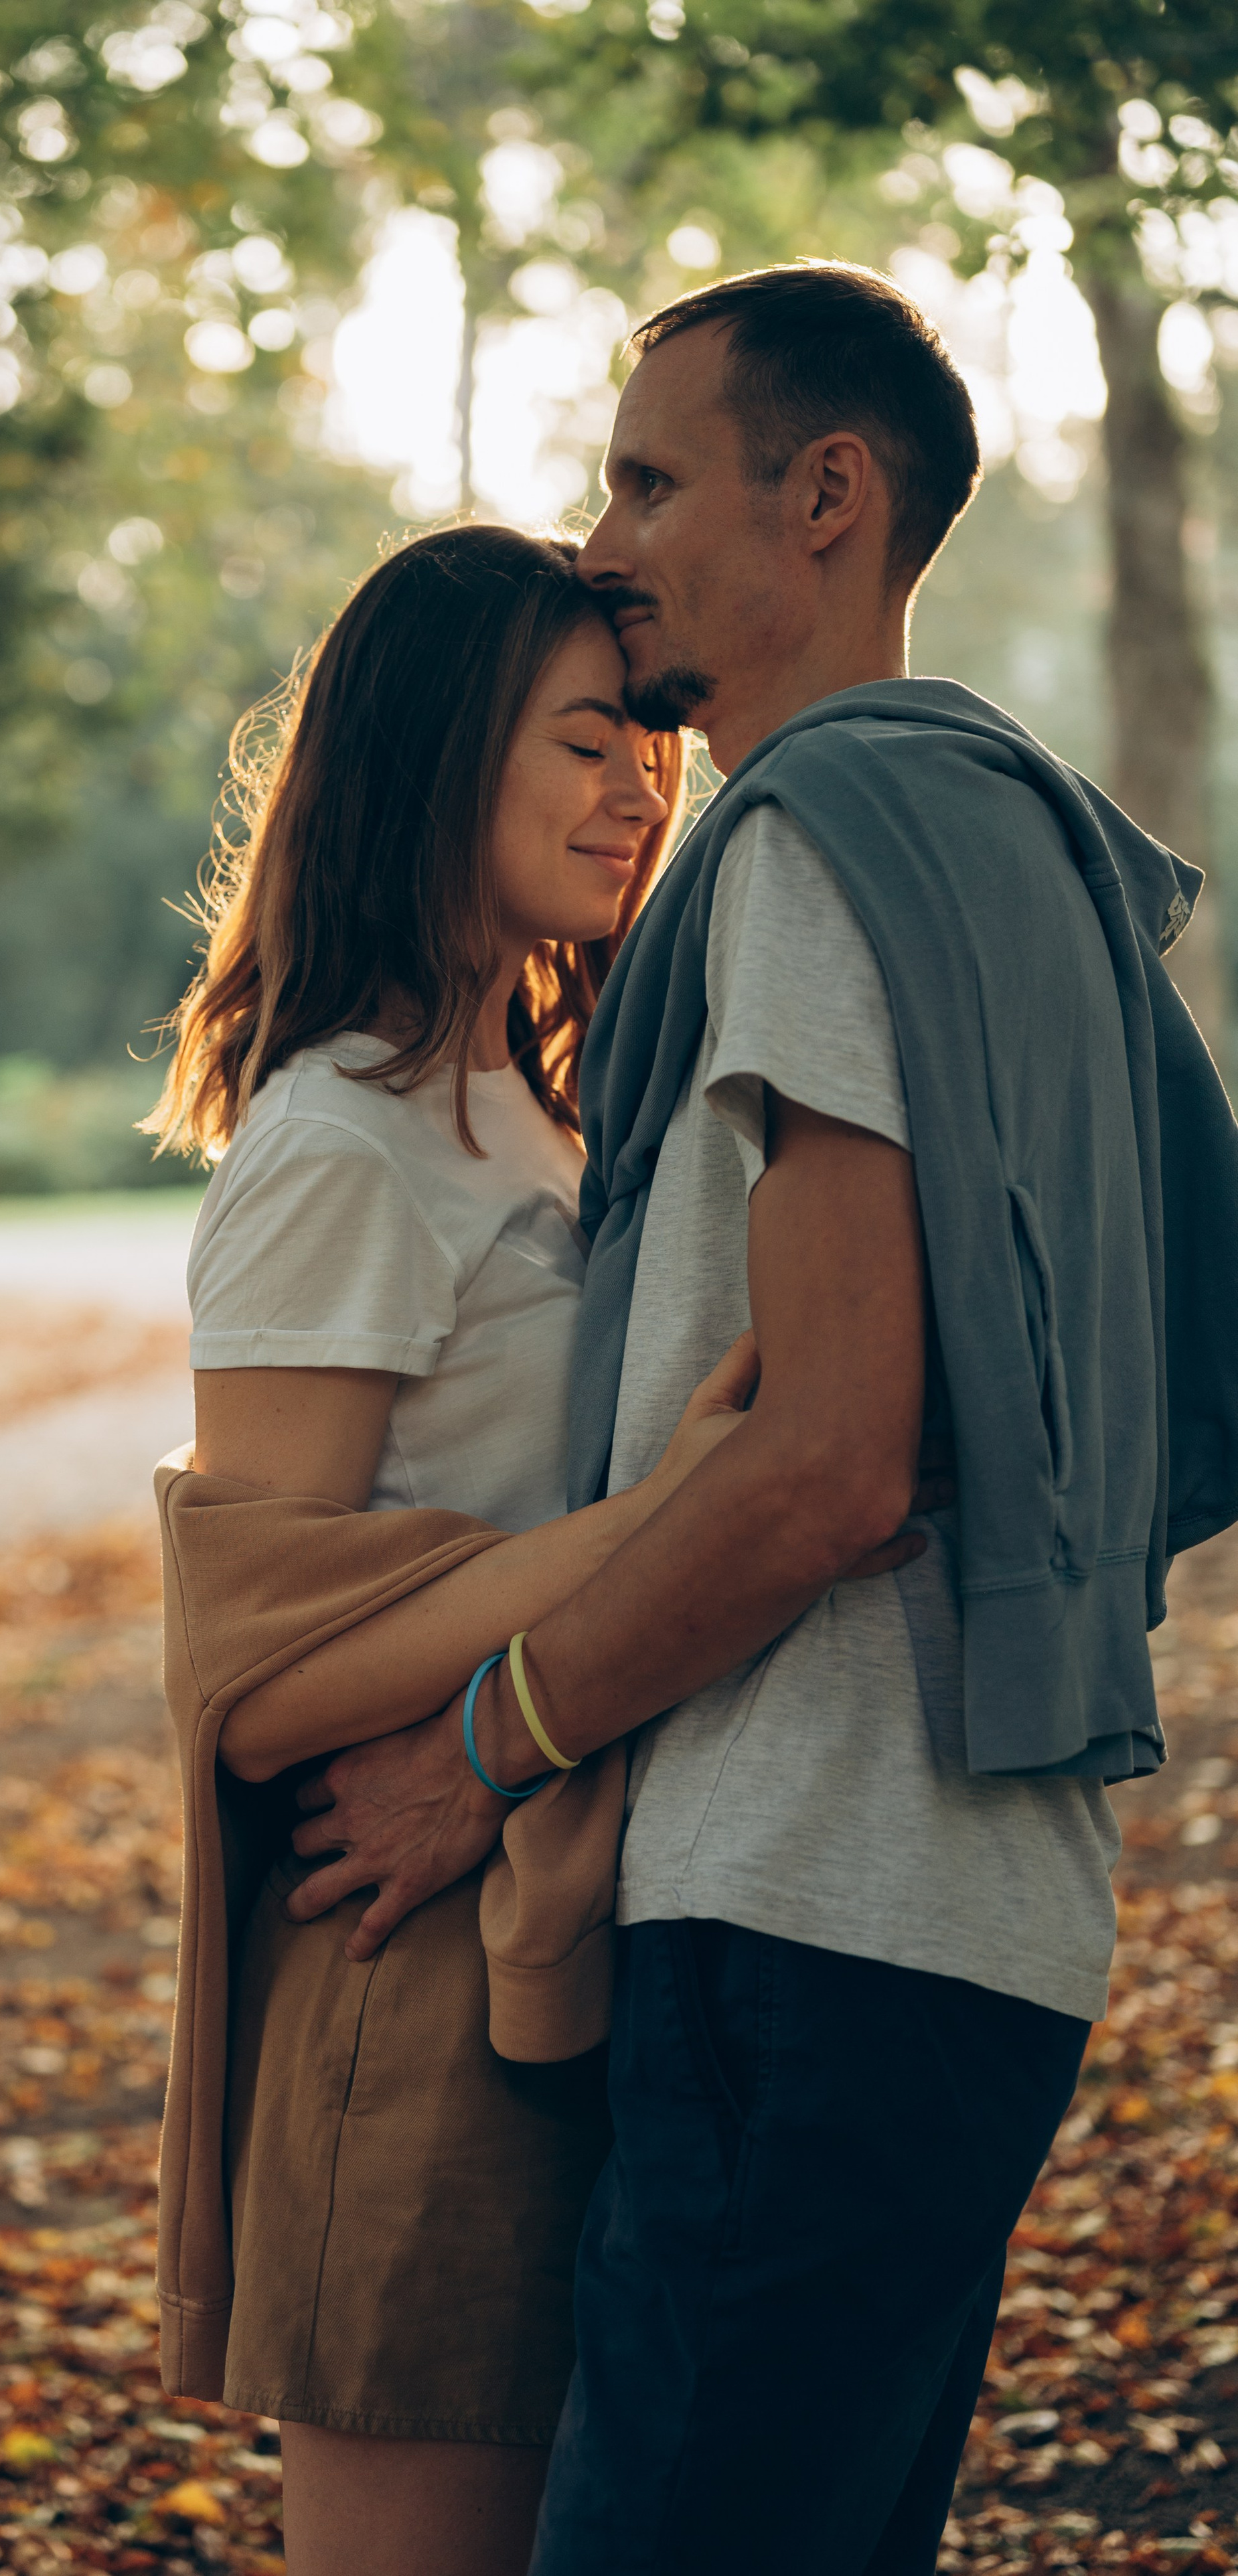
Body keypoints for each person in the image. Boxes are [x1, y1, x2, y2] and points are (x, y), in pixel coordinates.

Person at [283, 263, 1238, 2574]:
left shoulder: (819, 834)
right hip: (991, 1922)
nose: (601, 540)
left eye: (646, 478)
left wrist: (482, 1744)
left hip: (809, 1910)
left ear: (827, 497)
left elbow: (821, 1462)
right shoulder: (1030, 854)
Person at [145, 520, 937, 2576]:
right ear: (435, 761)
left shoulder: (546, 1108)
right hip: (396, 1960)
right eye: (587, 740)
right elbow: (260, 1679)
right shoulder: (338, 1144)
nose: (639, 787)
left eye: (649, 738)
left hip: (554, 1920)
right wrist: (667, 1514)